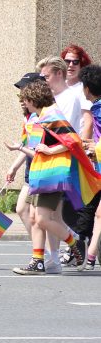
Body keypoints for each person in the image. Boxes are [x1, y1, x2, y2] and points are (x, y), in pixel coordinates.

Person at [12, 80, 85, 275]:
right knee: (35, 219)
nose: (23, 103)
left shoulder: (51, 114)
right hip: (39, 173)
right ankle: (38, 261)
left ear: (33, 98)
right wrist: (20, 148)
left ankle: (73, 242)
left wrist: (50, 150)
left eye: (25, 99)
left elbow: (73, 141)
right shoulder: (38, 116)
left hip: (51, 174)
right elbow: (36, 148)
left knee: (43, 220)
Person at [3, 73, 45, 246]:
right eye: (19, 93)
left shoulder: (37, 118)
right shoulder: (29, 117)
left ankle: (48, 250)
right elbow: (28, 145)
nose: (21, 98)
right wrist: (13, 167)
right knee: (23, 209)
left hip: (41, 172)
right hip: (31, 172)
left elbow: (34, 150)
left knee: (42, 218)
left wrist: (19, 148)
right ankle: (41, 249)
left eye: (24, 92)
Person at [75, 64, 101, 270]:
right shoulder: (97, 107)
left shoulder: (99, 108)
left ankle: (90, 255)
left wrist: (96, 146)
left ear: (87, 88)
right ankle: (91, 256)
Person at [61, 43, 93, 140]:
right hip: (59, 144)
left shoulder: (84, 88)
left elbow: (89, 122)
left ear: (81, 64)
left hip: (76, 144)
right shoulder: (59, 87)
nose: (71, 65)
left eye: (75, 62)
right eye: (67, 61)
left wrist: (82, 148)